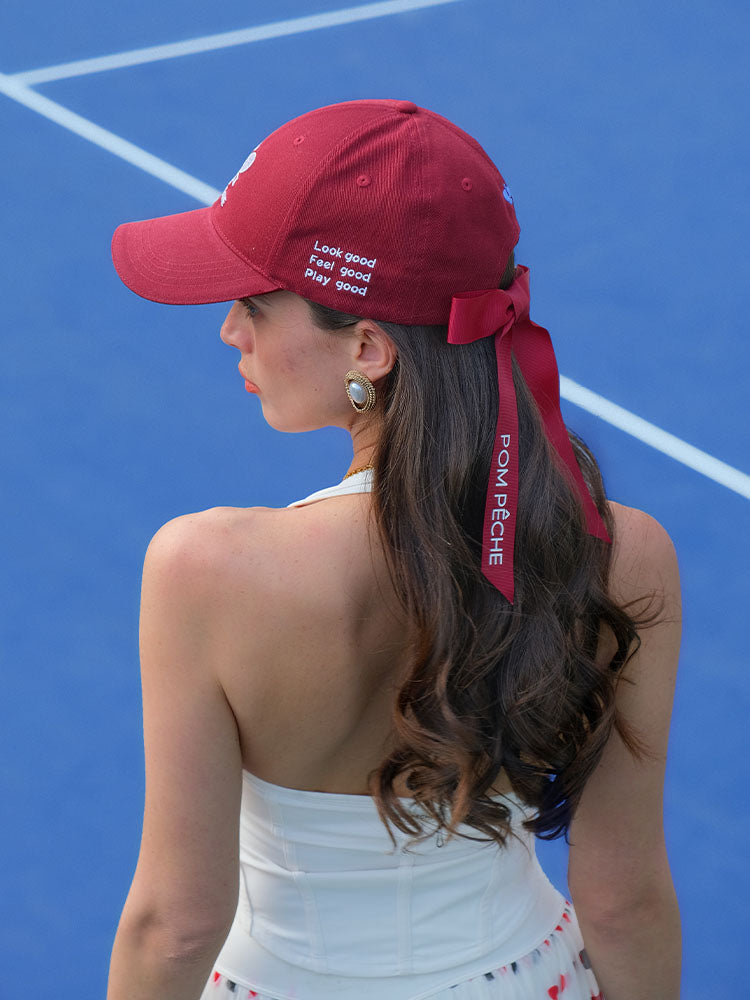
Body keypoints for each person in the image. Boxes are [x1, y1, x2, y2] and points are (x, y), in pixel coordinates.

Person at [106, 99, 681, 1000]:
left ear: (368, 347)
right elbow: (625, 902)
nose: (229, 329)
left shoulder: (203, 568)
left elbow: (175, 925)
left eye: (255, 303)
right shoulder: (621, 550)